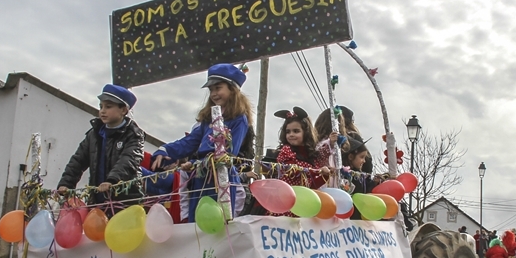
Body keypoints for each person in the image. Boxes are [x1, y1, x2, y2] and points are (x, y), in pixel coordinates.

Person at [150, 63, 253, 221]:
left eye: (218, 88)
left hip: (221, 179)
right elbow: (190, 141)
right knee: (197, 221)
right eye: (211, 90)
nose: (214, 93)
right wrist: (165, 151)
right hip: (201, 178)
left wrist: (196, 163)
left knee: (218, 223)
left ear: (232, 89)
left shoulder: (239, 119)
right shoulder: (207, 119)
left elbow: (228, 152)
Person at [58, 83, 145, 211]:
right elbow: (78, 160)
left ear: (124, 110)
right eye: (101, 106)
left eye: (108, 107)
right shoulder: (94, 134)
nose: (102, 111)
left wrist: (112, 180)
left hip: (125, 202)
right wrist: (66, 183)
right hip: (98, 200)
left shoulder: (134, 135)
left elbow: (129, 160)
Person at [274, 107, 335, 191]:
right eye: (288, 132)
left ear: (306, 132)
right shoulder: (286, 151)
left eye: (296, 131)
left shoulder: (312, 155)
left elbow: (311, 185)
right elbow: (293, 171)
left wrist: (325, 175)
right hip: (287, 196)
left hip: (304, 199)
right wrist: (317, 171)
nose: (291, 134)